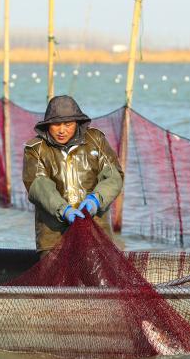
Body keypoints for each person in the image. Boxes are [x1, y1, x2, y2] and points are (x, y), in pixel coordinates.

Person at [22, 95, 124, 254]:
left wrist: (96, 199)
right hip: (53, 240)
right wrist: (63, 210)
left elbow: (114, 177)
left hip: (97, 235)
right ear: (47, 125)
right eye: (56, 124)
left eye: (68, 124)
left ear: (77, 122)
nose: (62, 130)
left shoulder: (96, 139)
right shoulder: (35, 148)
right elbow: (38, 185)